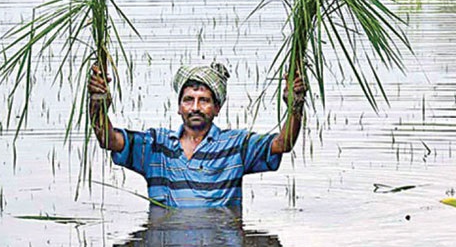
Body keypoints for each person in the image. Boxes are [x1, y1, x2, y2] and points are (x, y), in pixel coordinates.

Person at [87, 61, 306, 208]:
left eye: (204, 101)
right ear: (179, 107)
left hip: (219, 242)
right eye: (188, 100)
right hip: (170, 241)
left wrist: (295, 105)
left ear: (217, 108)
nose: (195, 107)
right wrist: (97, 103)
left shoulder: (235, 145)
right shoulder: (156, 146)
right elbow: (108, 139)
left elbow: (282, 143)